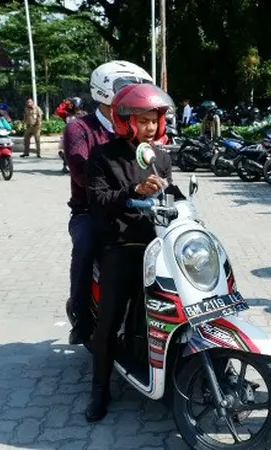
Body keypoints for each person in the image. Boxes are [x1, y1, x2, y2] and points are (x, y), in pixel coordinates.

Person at [85, 83, 184, 422]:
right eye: (142, 121)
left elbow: (175, 197)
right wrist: (133, 190)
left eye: (153, 121)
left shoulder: (160, 156)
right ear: (124, 120)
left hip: (159, 245)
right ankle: (99, 388)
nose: (149, 128)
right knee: (110, 319)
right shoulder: (103, 157)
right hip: (122, 244)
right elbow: (97, 203)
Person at [62, 61, 154, 346]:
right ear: (104, 92)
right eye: (126, 89)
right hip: (91, 210)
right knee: (86, 244)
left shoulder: (135, 127)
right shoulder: (80, 128)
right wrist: (128, 189)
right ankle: (81, 316)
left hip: (138, 208)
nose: (133, 96)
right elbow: (80, 172)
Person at [57, 97, 86, 173]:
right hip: (68, 135)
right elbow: (58, 111)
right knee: (68, 151)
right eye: (73, 105)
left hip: (80, 136)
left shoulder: (84, 114)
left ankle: (78, 166)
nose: (75, 108)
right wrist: (65, 103)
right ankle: (65, 164)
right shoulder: (67, 114)